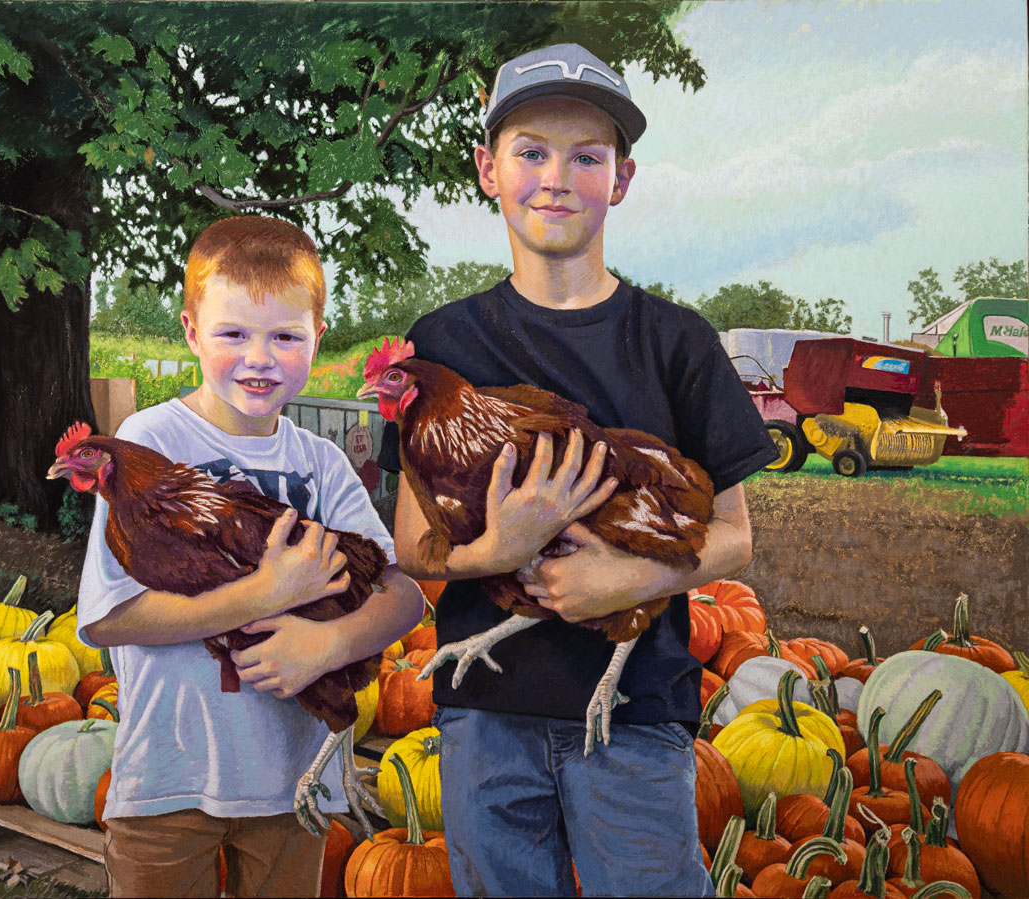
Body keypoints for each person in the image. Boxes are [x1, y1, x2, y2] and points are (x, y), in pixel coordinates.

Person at [376, 43, 779, 897]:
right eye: (531, 151)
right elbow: (414, 541)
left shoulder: (677, 342)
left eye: (585, 156)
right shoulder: (442, 341)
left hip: (632, 713)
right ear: (489, 169)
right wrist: (500, 546)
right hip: (484, 715)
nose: (556, 177)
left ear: (621, 179)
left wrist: (616, 576)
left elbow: (736, 538)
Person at [77, 215, 425, 899]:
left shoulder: (319, 463)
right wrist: (265, 593)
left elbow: (406, 589)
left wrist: (328, 643)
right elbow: (109, 615)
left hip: (292, 780)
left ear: (317, 341)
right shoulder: (148, 442)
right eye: (234, 333)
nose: (259, 357)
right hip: (168, 776)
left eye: (285, 337)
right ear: (191, 330)